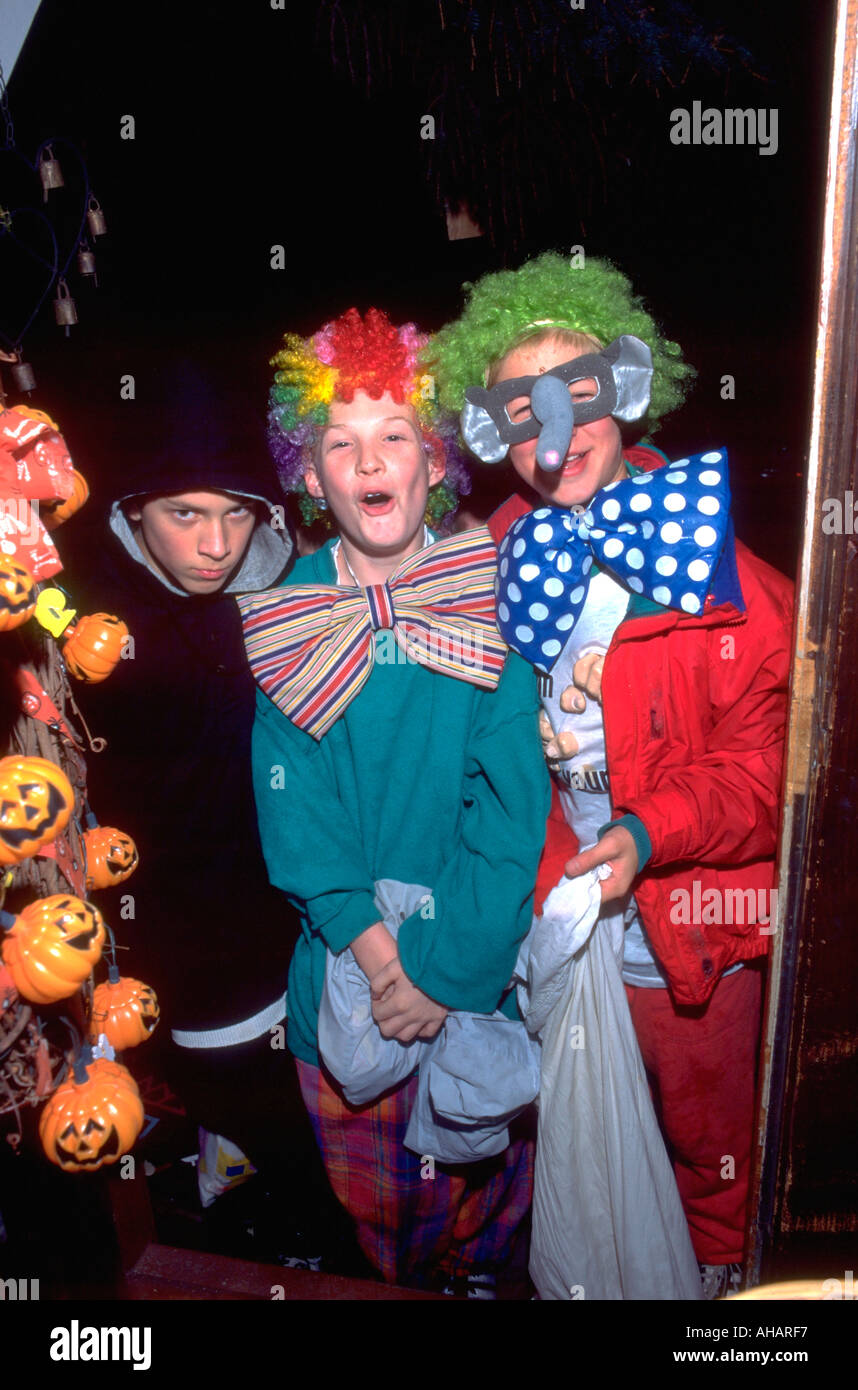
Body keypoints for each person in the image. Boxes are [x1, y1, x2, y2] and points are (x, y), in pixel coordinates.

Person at [427, 252, 794, 1298]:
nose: (553, 439)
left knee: (707, 1124)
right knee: (588, 1124)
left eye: (577, 396)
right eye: (520, 411)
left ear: (627, 386)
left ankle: (729, 1283)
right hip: (559, 908)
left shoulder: (723, 577)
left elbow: (770, 773)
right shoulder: (500, 548)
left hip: (691, 912)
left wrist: (648, 831)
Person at [238, 307, 550, 1293]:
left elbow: (512, 809)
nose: (369, 461)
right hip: (347, 985)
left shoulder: (494, 594)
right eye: (342, 441)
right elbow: (298, 829)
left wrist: (445, 972)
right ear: (312, 473)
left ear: (436, 459)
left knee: (497, 1214)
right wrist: (383, 968)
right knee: (394, 1240)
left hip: (480, 972)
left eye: (394, 434)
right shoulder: (286, 613)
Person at [64, 364, 342, 1262]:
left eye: (236, 514)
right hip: (185, 946)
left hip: (300, 915)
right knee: (265, 1126)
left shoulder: (280, 603)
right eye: (185, 514)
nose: (216, 541)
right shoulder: (92, 640)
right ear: (133, 516)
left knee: (295, 1122)